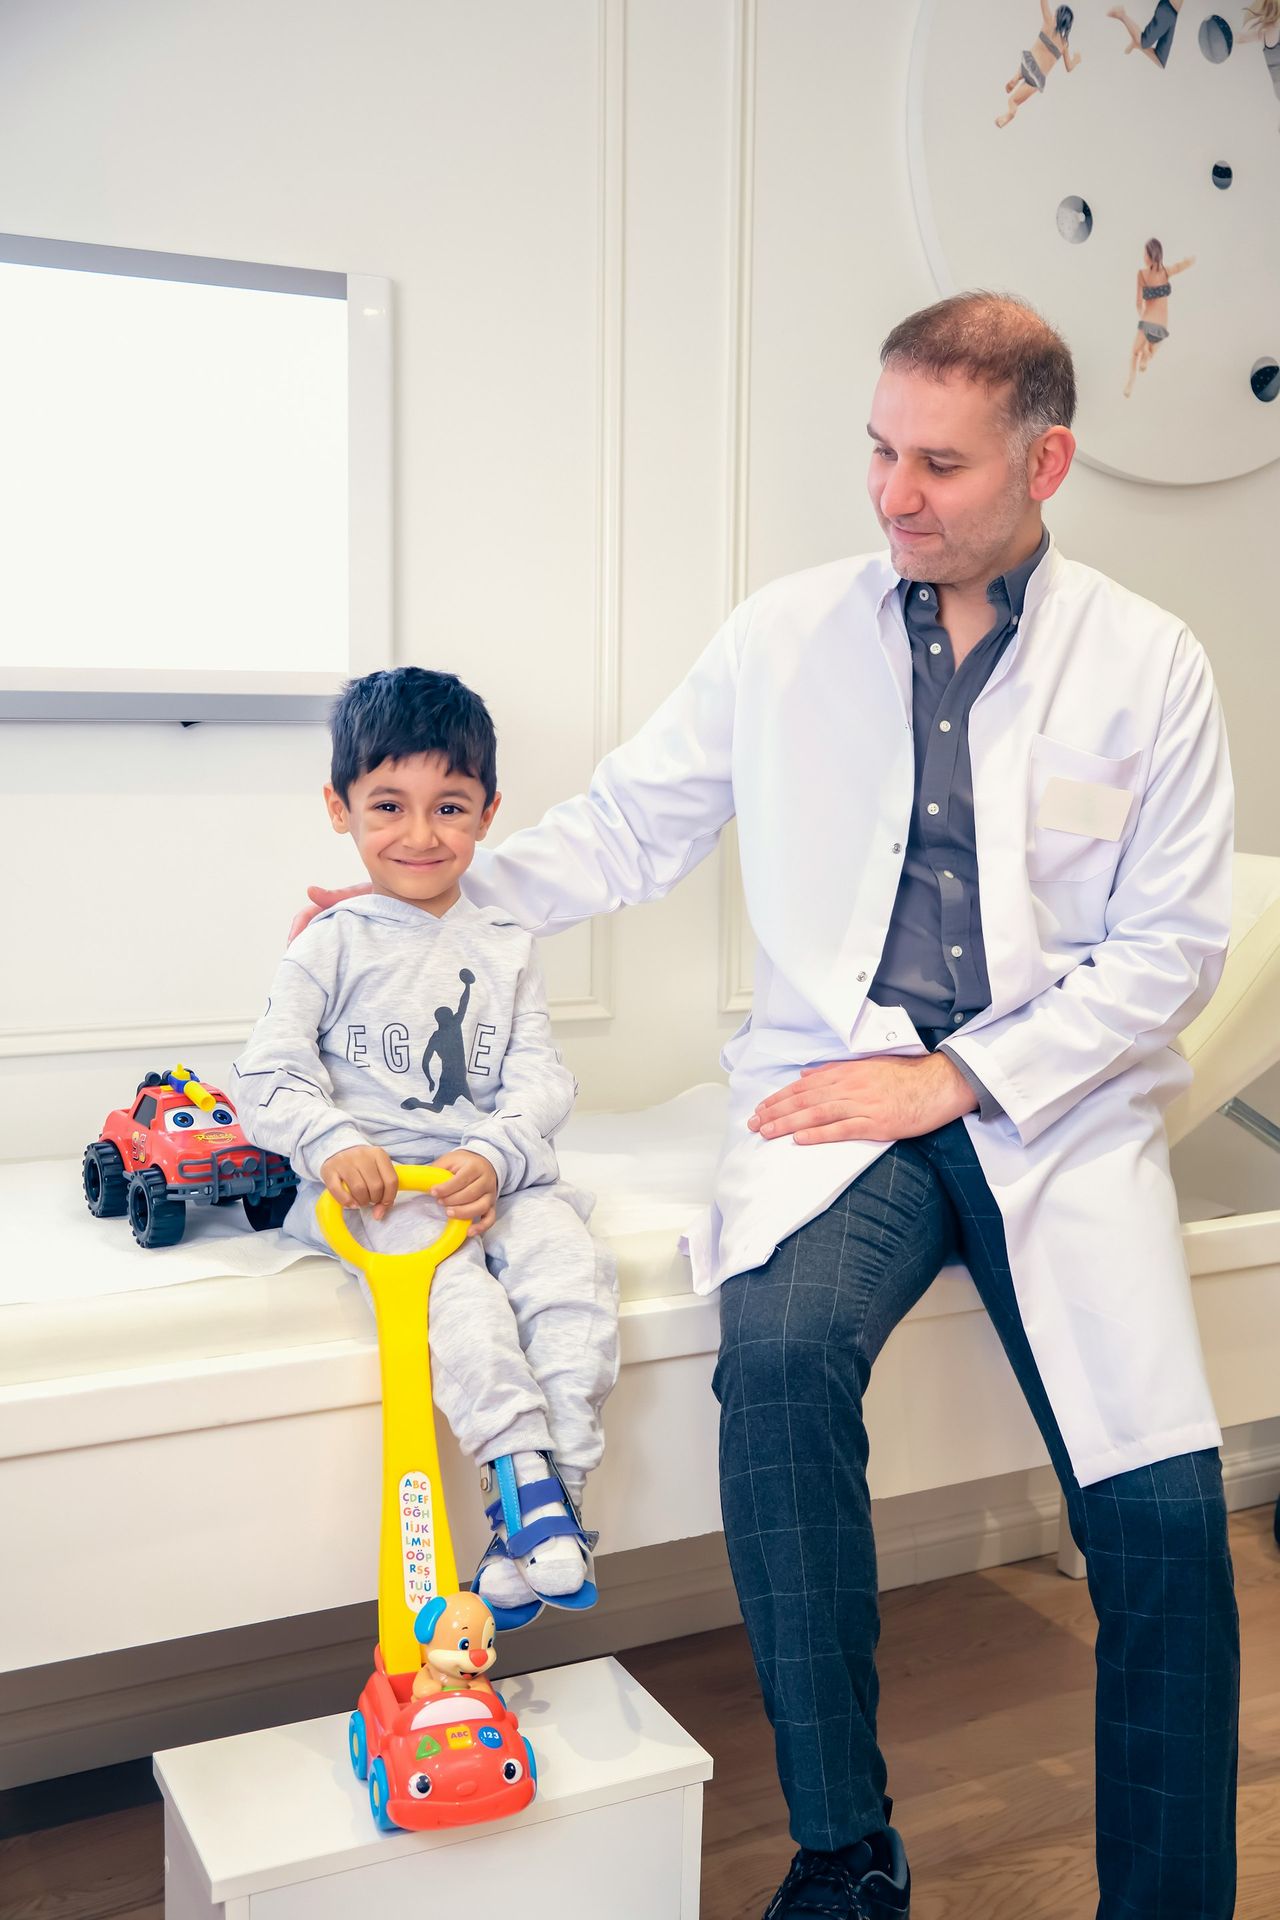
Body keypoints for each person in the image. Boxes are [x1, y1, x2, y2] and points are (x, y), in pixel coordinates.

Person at [293, 294, 1238, 1919]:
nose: (893, 493)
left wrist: (959, 1075)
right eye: (880, 449)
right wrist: (421, 888)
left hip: (1052, 1110)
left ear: (1046, 463)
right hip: (832, 1097)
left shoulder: (1149, 668)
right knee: (779, 1364)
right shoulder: (784, 635)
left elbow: (1175, 948)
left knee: (1161, 1517)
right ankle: (844, 1857)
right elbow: (629, 825)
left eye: (937, 462)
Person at [236, 667, 618, 1629]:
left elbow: (541, 1082)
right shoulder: (330, 940)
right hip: (382, 1191)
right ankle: (520, 1468)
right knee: (462, 1299)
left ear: (488, 813)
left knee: (572, 1277)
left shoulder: (506, 942)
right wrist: (331, 1143)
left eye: (449, 807)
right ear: (340, 808)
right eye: (388, 806)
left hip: (488, 1174)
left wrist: (494, 1154)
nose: (420, 835)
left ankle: (548, 1496)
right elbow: (267, 1075)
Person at [1124, 236, 1195, 397]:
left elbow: (1138, 301)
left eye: (1145, 254)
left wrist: (1141, 313)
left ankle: (1132, 379)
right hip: (1160, 324)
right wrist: (1191, 260)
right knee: (1146, 349)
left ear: (1152, 255)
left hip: (1149, 321)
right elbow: (1180, 266)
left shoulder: (1147, 274)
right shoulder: (1162, 273)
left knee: (1136, 352)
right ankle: (1144, 360)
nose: (1143, 257)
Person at [995, 4, 1082, 129]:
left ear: (1058, 14)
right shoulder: (1064, 45)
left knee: (1027, 63)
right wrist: (1076, 60)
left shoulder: (1048, 23)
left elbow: (1043, 2)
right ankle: (1009, 114)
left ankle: (1016, 78)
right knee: (1013, 101)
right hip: (1037, 80)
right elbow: (1069, 68)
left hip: (1028, 63)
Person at [1107, 0, 1184, 68]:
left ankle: (1137, 44)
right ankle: (1121, 15)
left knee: (1160, 61)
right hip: (1167, 9)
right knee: (1143, 42)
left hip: (1174, 14)